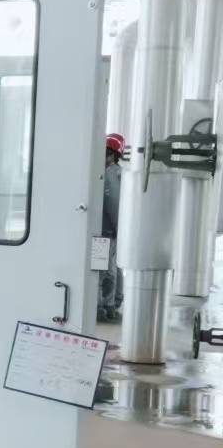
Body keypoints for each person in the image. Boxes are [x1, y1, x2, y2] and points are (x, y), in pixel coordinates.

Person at [99, 133, 125, 323]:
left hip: (108, 230)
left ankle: (107, 306)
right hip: (111, 229)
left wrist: (117, 229)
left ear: (112, 154)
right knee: (114, 266)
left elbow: (113, 204)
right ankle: (113, 302)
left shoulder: (110, 175)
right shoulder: (115, 172)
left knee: (107, 269)